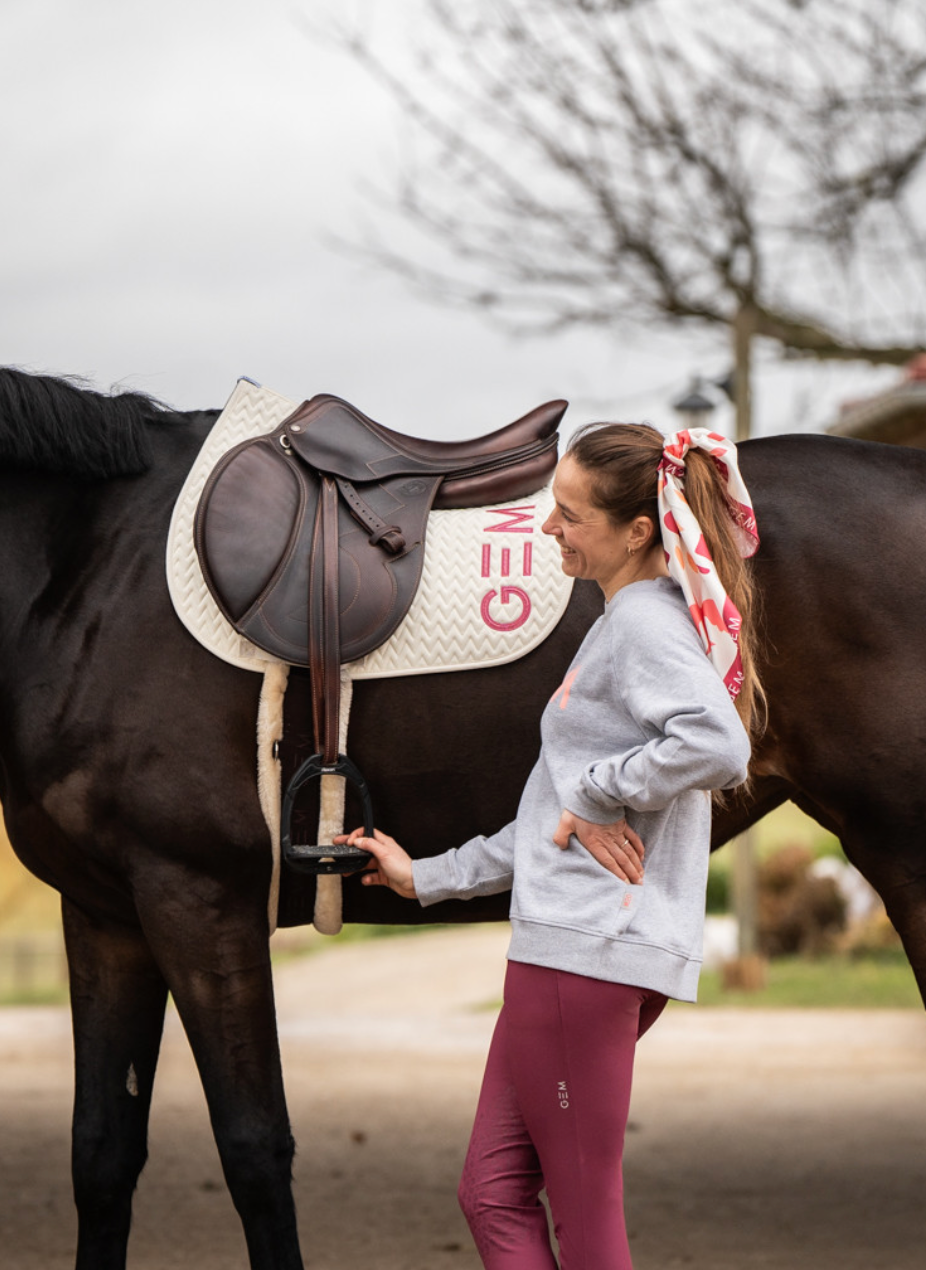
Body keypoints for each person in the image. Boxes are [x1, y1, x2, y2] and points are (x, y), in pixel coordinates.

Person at [338, 422, 762, 1269]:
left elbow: (719, 746)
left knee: (583, 1209)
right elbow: (550, 820)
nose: (548, 529)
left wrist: (600, 790)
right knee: (490, 1193)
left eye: (569, 516)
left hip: (585, 959)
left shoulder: (645, 623)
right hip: (577, 952)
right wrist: (424, 876)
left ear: (637, 531)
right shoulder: (623, 626)